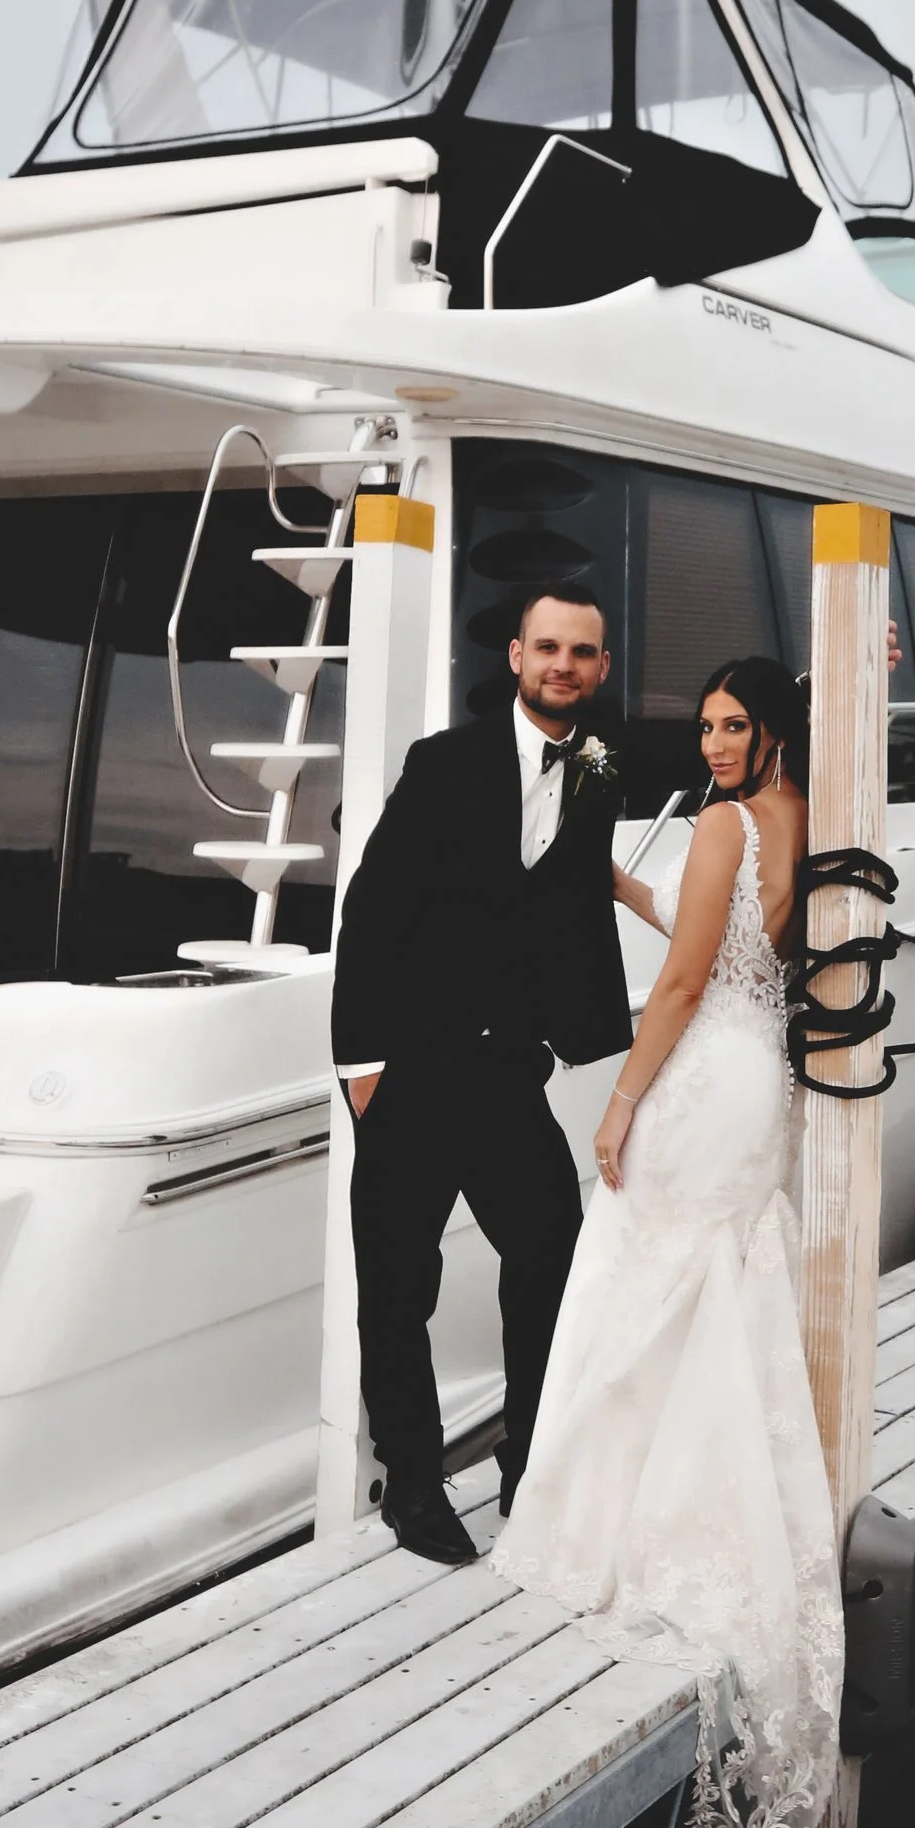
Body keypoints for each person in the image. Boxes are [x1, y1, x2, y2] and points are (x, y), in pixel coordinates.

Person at [493, 656, 842, 1828]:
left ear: (772, 731)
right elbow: (738, 945)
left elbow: (688, 983)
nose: (714, 743)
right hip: (767, 1085)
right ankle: (703, 1502)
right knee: (711, 1291)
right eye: (704, 727)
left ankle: (611, 1524)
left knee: (635, 1276)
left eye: (735, 725)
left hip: (701, 1076)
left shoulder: (723, 823)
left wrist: (623, 1103)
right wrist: (630, 888)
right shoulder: (806, 818)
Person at [330, 588, 631, 1568]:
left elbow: (575, 901)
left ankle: (528, 1460)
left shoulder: (600, 767)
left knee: (551, 1257)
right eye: (547, 647)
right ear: (514, 655)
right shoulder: (443, 763)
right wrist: (363, 1068)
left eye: (580, 652)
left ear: (600, 667)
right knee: (398, 1288)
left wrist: (573, 1035)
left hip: (509, 1073)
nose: (562, 665)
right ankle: (411, 1486)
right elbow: (371, 912)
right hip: (413, 1070)